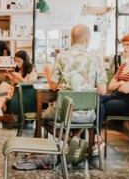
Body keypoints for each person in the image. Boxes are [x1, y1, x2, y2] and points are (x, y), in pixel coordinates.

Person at [42, 24, 108, 164]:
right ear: (87, 39)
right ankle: (77, 142)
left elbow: (53, 86)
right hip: (88, 114)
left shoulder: (61, 57)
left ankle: (71, 141)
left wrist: (48, 73)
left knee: (42, 117)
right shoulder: (96, 58)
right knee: (79, 117)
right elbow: (102, 91)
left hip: (65, 113)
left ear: (71, 39)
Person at [98, 33, 129, 148]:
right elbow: (111, 86)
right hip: (115, 96)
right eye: (123, 45)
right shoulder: (124, 65)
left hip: (126, 102)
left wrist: (120, 85)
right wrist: (121, 83)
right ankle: (94, 137)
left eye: (128, 45)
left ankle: (96, 137)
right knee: (94, 100)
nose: (124, 48)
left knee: (99, 106)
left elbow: (127, 90)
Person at [0, 49, 38, 129]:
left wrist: (19, 78)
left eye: (19, 61)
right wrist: (12, 78)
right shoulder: (18, 70)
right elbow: (13, 85)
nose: (17, 64)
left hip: (23, 95)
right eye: (15, 61)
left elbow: (30, 85)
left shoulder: (32, 71)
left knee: (2, 91)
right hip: (15, 92)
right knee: (2, 88)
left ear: (25, 60)